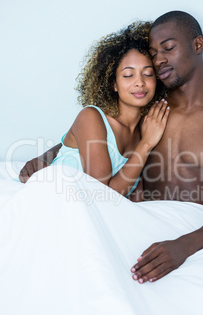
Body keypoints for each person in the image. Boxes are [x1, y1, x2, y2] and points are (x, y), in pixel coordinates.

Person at [19, 11, 203, 284]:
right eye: (153, 53)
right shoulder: (149, 110)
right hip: (136, 221)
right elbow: (95, 131)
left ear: (197, 45)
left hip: (193, 233)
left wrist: (183, 246)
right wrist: (46, 156)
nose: (159, 60)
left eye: (168, 48)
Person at [21, 22, 170, 198]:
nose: (140, 82)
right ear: (114, 84)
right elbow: (102, 195)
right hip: (51, 201)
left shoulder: (145, 129)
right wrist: (146, 145)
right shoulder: (91, 118)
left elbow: (134, 196)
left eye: (148, 74)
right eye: (128, 75)